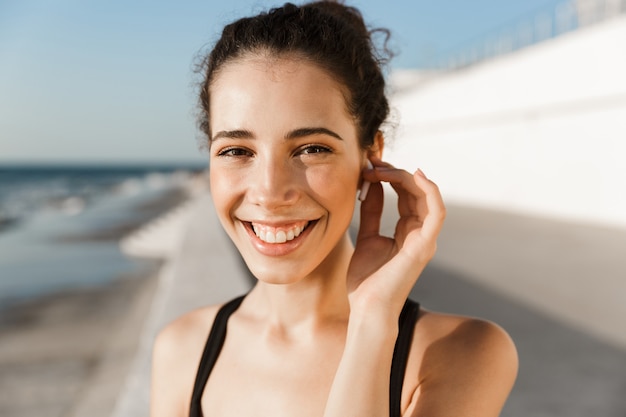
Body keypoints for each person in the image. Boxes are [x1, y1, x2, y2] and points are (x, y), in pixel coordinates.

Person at [150, 1, 518, 416]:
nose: (270, 191)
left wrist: (373, 320)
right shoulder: (182, 349)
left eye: (312, 149)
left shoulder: (459, 353)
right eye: (237, 150)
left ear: (370, 153)